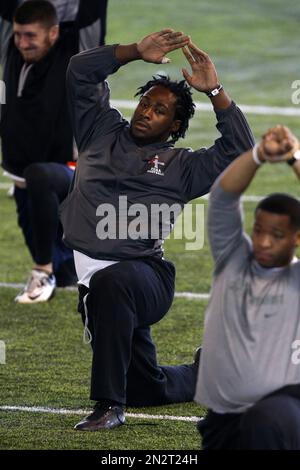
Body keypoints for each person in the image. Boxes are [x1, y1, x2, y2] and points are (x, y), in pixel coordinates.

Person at [60, 29, 254, 431]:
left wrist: (215, 90)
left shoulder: (182, 166)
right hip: (96, 283)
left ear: (175, 125)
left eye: (161, 110)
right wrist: (132, 52)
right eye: (146, 102)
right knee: (147, 388)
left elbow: (240, 152)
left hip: (144, 276)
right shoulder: (99, 129)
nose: (147, 111)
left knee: (112, 284)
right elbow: (79, 71)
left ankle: (109, 406)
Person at [195, 125, 300, 450]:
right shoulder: (233, 260)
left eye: (277, 235)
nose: (264, 242)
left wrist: (294, 158)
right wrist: (258, 155)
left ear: (297, 238)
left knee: (265, 420)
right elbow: (223, 197)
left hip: (284, 411)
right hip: (222, 419)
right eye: (259, 231)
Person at [0, 0, 108, 303]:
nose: (22, 43)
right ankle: (60, 269)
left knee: (41, 178)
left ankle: (42, 271)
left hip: (73, 166)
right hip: (21, 164)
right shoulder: (12, 45)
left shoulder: (78, 54)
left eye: (30, 36)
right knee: (54, 253)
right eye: (18, 35)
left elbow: (92, 12)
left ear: (53, 33)